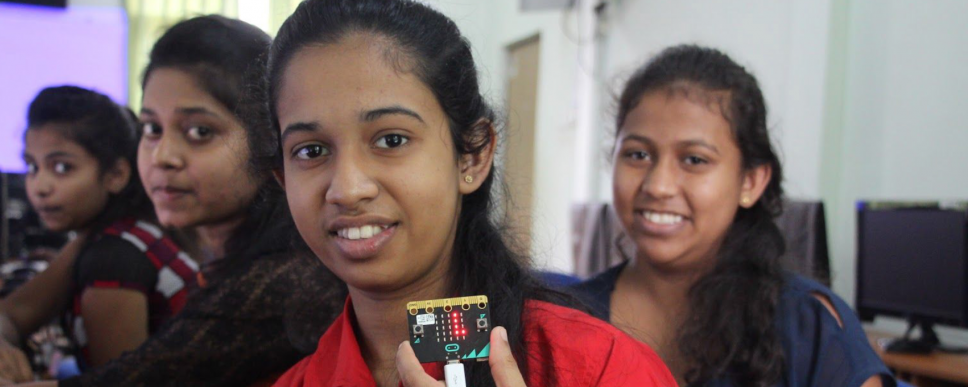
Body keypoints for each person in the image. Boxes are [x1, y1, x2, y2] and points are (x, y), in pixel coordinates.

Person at [265, 1, 676, 386]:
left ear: (472, 156)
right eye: (311, 151)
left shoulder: (598, 368)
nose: (348, 189)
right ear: (283, 178)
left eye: (391, 140)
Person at [573, 45, 895, 387]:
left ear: (751, 181)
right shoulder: (569, 320)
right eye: (638, 154)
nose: (658, 185)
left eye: (694, 160)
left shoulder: (809, 327)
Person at [56, 15, 346, 387]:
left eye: (199, 131)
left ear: (269, 141)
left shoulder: (284, 278)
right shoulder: (224, 248)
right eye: (152, 128)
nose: (162, 156)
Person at [0, 86, 196, 381]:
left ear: (115, 176)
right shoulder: (121, 233)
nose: (39, 186)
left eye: (62, 167)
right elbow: (3, 317)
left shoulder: (113, 257)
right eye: (32, 166)